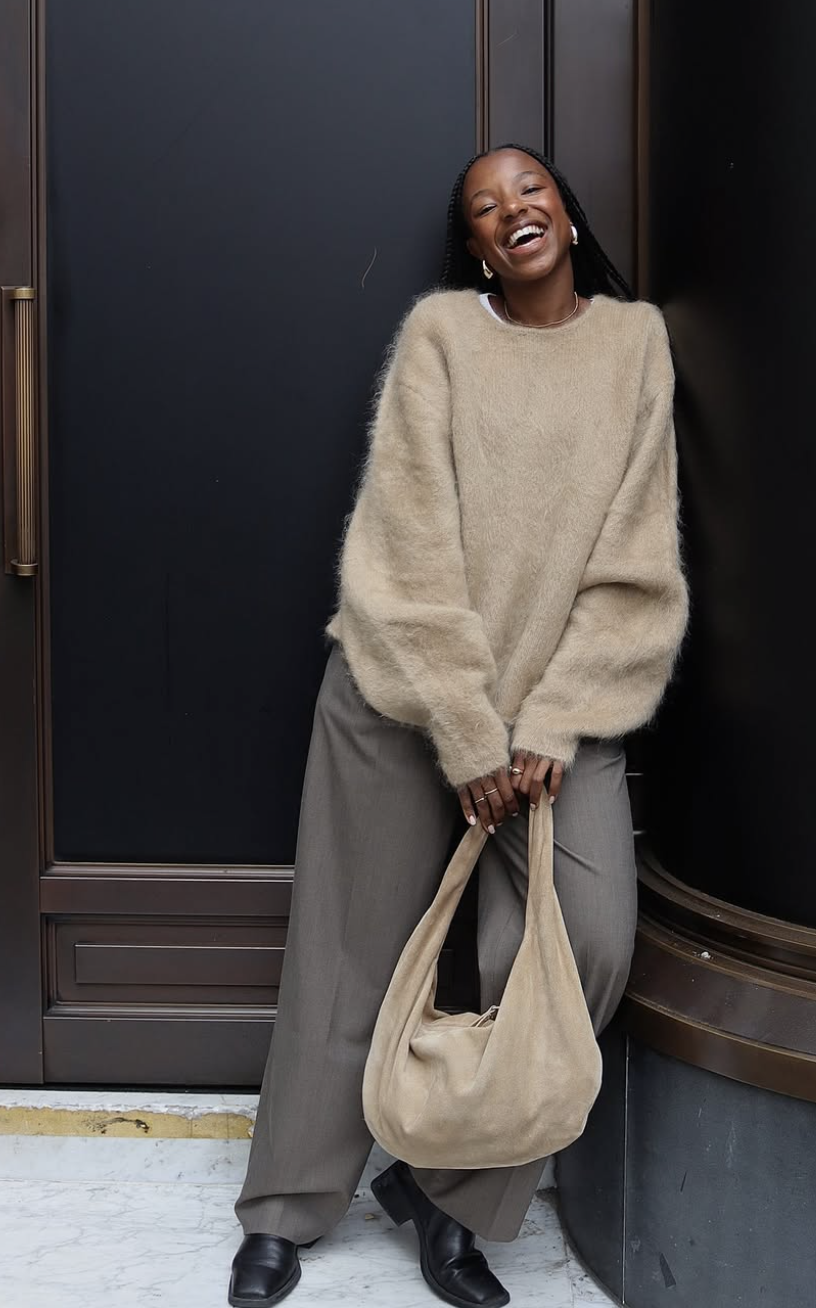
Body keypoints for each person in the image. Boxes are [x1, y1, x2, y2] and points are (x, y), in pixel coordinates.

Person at [228, 144, 689, 1308]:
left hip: (555, 720)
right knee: (346, 954)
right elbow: (404, 547)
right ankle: (285, 1207)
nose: (510, 211)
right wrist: (467, 732)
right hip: (401, 697)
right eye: (484, 208)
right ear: (474, 246)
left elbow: (634, 563)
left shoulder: (635, 347)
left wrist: (553, 716)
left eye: (527, 191)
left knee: (579, 941)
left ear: (566, 218)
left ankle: (446, 1196)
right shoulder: (441, 337)